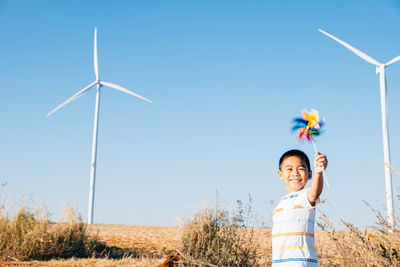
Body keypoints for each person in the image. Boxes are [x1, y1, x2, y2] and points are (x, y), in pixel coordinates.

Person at [271, 149, 328, 266]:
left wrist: (319, 172)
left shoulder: (305, 196)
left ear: (310, 174)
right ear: (280, 174)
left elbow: (315, 193)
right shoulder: (280, 204)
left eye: (301, 168)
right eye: (289, 169)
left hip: (301, 263)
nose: (295, 173)